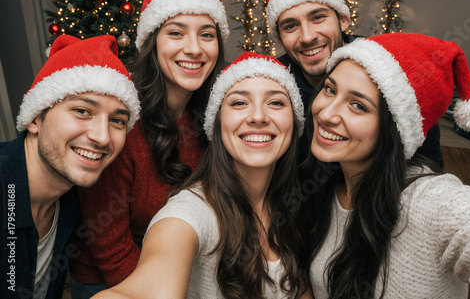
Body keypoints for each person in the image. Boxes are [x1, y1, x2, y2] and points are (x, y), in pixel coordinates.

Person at [67, 0, 235, 298]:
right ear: (152, 41)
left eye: (207, 35)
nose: (194, 49)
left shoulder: (213, 113)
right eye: (176, 33)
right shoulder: (119, 117)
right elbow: (110, 247)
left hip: (178, 269)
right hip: (114, 280)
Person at [92, 52, 312, 298]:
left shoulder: (297, 203)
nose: (258, 117)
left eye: (276, 103)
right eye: (239, 103)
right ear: (216, 125)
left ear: (295, 122)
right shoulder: (190, 212)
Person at [302, 33, 470, 298]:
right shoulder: (324, 185)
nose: (325, 114)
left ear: (394, 129)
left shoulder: (431, 201)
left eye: (358, 105)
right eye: (330, 89)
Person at [234, 0, 444, 167]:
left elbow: (427, 167)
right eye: (291, 26)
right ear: (280, 40)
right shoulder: (274, 84)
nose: (307, 36)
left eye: (318, 18)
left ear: (343, 19)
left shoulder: (390, 72)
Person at [0, 34, 140, 299]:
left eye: (118, 121)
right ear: (35, 119)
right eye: (82, 111)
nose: (102, 137)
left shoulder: (71, 200)